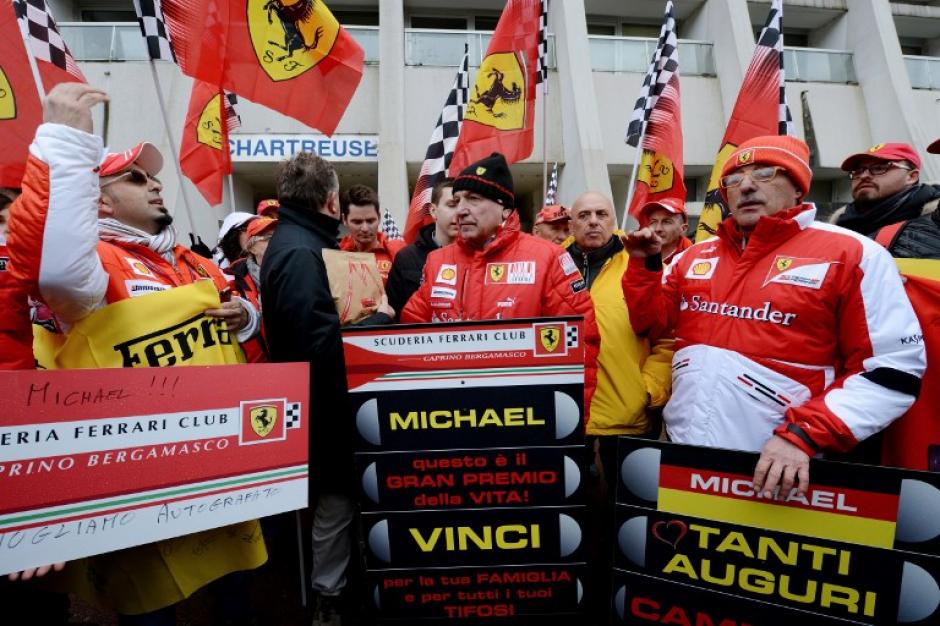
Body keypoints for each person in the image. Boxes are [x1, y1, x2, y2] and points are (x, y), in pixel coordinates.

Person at [6, 82, 267, 623]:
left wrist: (245, 316)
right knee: (155, 600)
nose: (155, 186)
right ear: (99, 199)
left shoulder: (192, 261)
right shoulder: (91, 266)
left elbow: (242, 316)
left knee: (238, 592)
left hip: (216, 464)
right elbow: (57, 271)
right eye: (135, 178)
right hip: (140, 475)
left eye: (153, 178)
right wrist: (67, 146)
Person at [622, 134, 925, 499]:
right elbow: (651, 325)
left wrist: (803, 435)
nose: (746, 186)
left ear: (798, 187)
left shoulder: (853, 253)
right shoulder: (694, 256)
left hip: (782, 465)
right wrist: (643, 268)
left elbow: (892, 368)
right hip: (683, 451)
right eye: (733, 179)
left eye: (765, 173)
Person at [260, 152, 393, 626]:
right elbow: (317, 346)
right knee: (335, 502)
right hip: (326, 404)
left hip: (325, 400)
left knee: (339, 500)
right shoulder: (301, 251)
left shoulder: (303, 242)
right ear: (333, 200)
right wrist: (378, 321)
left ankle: (336, 588)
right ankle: (329, 598)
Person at [401, 152, 600, 410]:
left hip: (524, 413)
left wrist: (569, 419)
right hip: (453, 413)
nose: (461, 210)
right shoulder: (437, 261)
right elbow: (412, 336)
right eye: (458, 200)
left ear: (505, 209)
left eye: (474, 199)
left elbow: (581, 344)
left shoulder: (548, 258)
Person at [563, 190, 673, 623]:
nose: (593, 221)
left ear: (613, 219)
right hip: (565, 421)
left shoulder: (641, 261)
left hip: (624, 422)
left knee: (621, 531)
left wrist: (648, 390)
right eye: (583, 215)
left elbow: (666, 338)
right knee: (571, 526)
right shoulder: (553, 263)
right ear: (570, 223)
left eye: (601, 213)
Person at [830, 142, 940, 258]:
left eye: (879, 168)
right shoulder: (837, 226)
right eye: (858, 171)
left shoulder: (936, 219)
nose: (863, 176)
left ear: (911, 177)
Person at [385, 177, 457, 318]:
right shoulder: (406, 258)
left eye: (462, 206)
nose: (458, 212)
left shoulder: (476, 255)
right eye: (451, 205)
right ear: (433, 210)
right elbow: (392, 312)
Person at [229, 216, 277, 362]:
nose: (277, 241)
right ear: (251, 247)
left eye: (279, 236)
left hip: (297, 362)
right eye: (269, 238)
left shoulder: (294, 272)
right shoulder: (234, 283)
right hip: (258, 366)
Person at [339, 184, 405, 284]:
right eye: (357, 222)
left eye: (370, 221)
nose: (365, 228)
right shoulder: (335, 252)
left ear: (379, 217)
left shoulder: (398, 251)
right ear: (344, 220)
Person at [0, 188, 34, 369]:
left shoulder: (29, 256)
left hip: (20, 358)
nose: (7, 227)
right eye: (1, 221)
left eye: (14, 220)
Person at [637, 197, 692, 265]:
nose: (658, 229)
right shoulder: (637, 251)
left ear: (683, 229)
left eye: (666, 222)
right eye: (653, 222)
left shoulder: (693, 258)